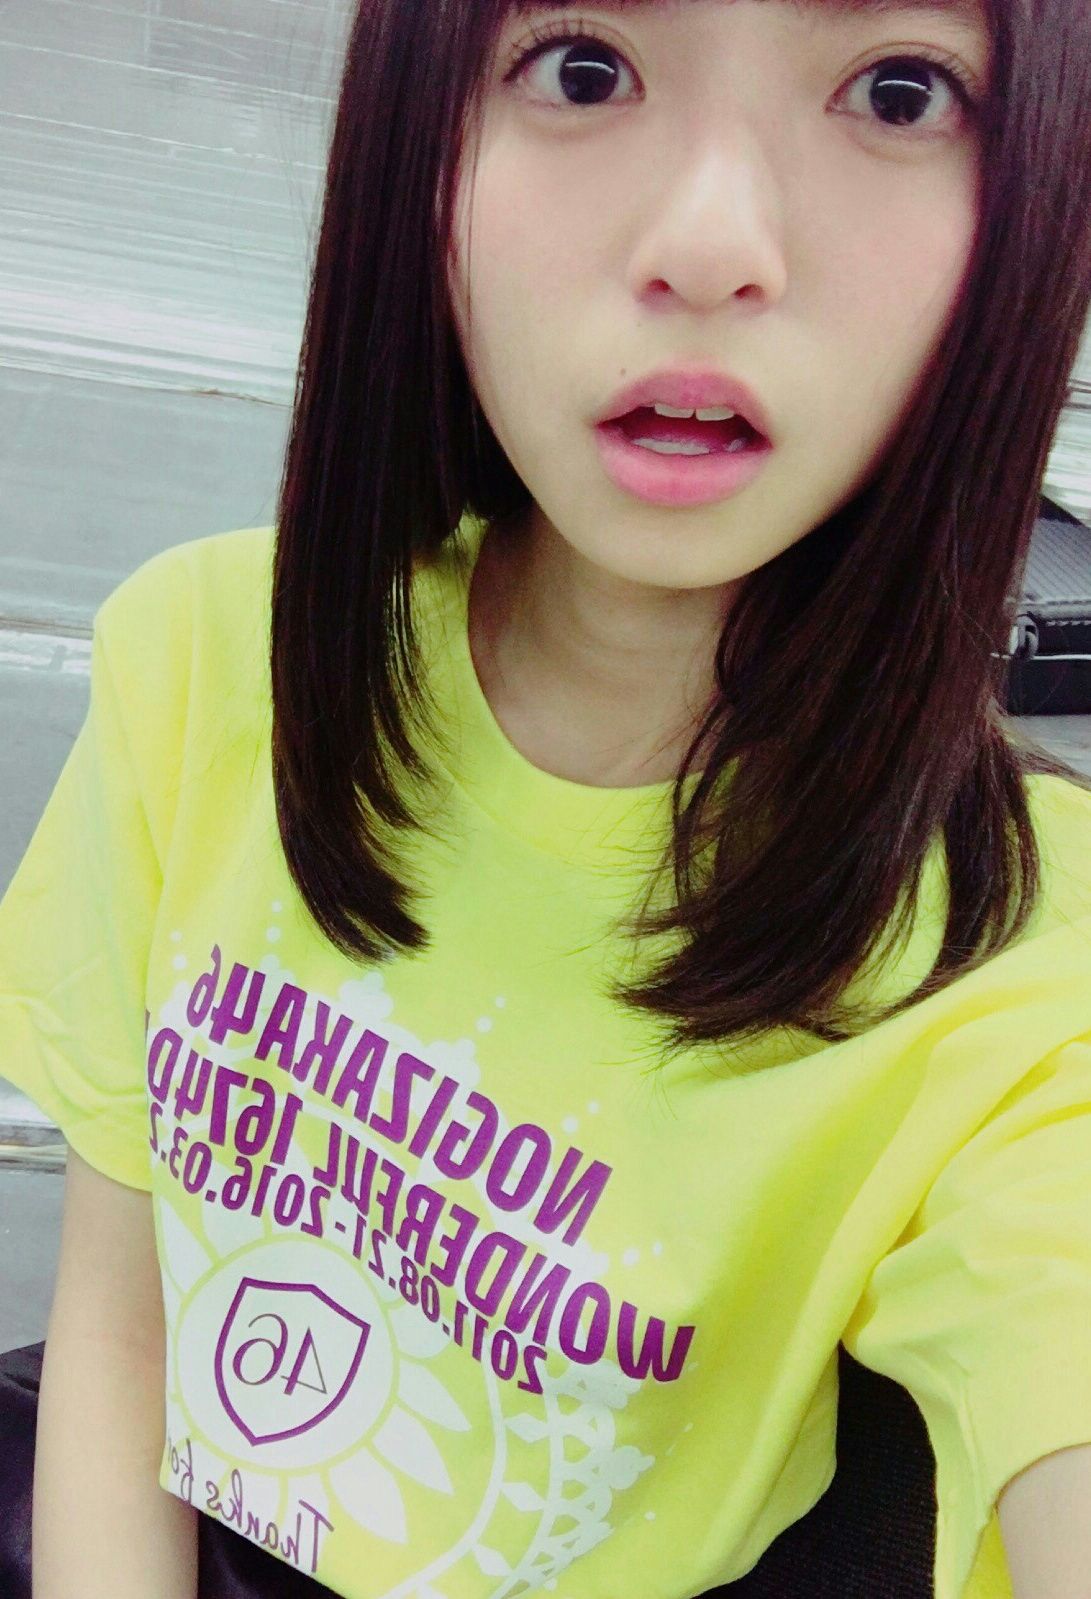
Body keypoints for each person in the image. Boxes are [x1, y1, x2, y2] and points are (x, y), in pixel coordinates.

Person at [1, 0, 1090, 1595]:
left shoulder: (1024, 963)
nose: (710, 244)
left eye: (900, 92)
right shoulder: (207, 660)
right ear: (421, 143)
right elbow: (123, 1317)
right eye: (584, 67)